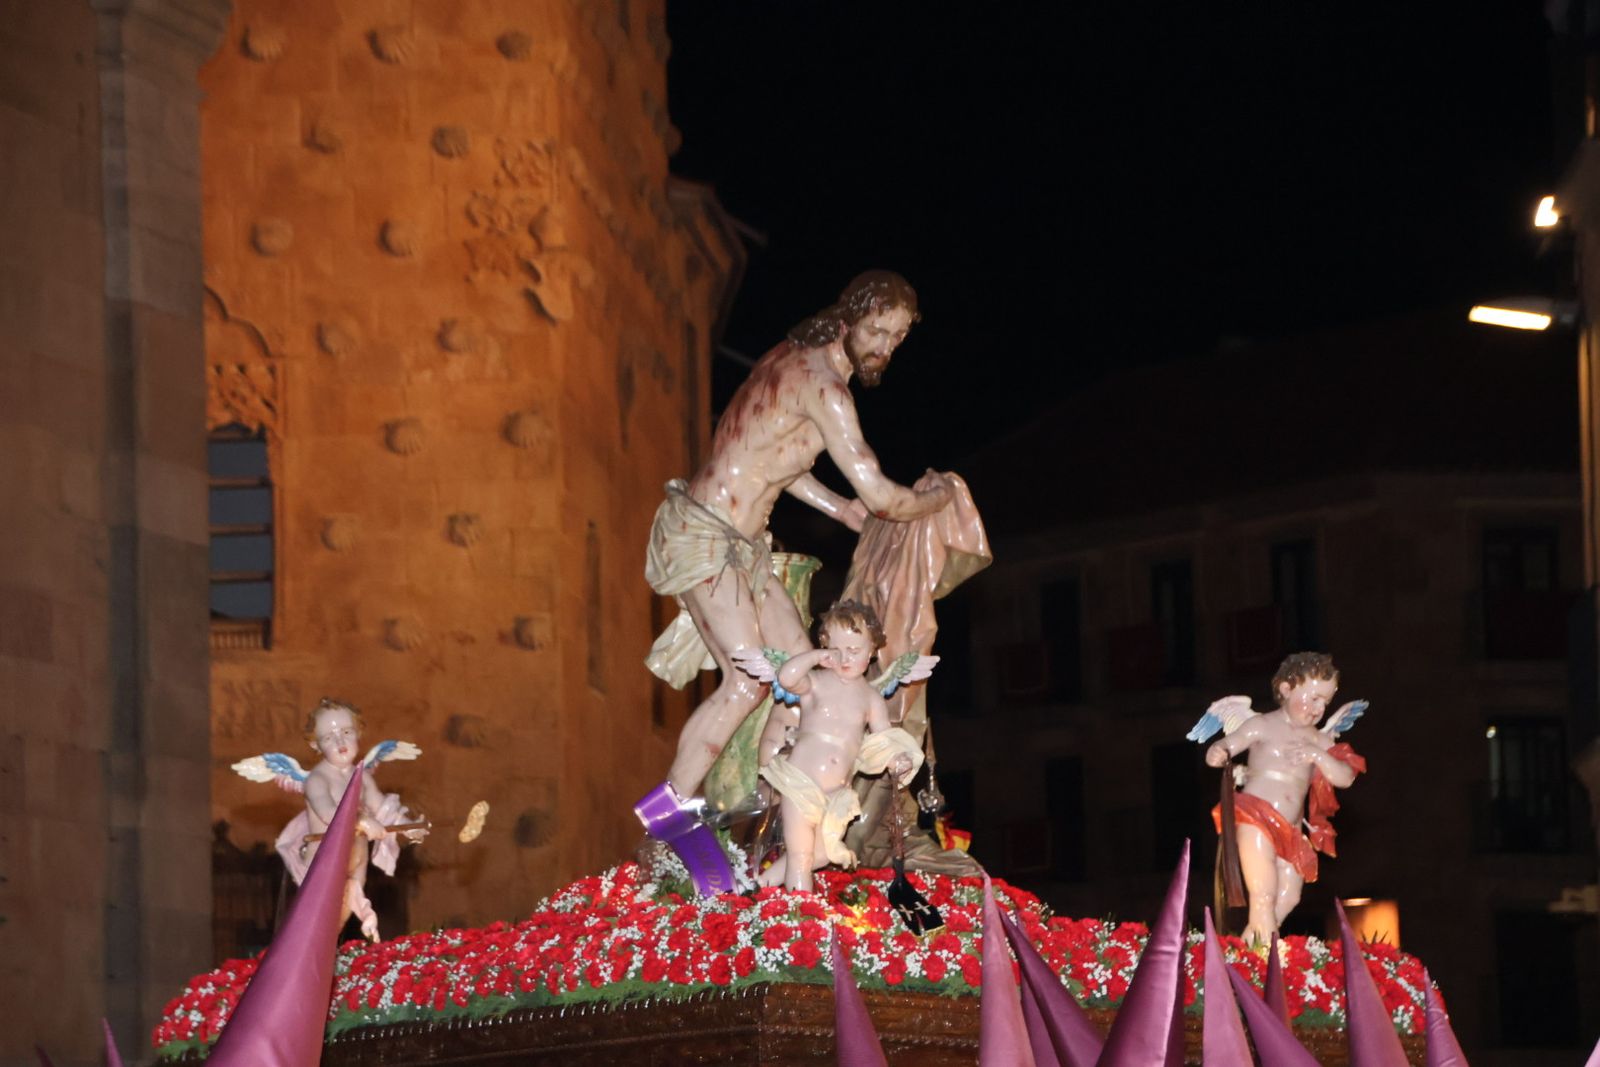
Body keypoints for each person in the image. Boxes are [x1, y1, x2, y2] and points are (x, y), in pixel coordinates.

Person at [638, 271, 952, 835]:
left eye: (898, 338)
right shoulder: (824, 386)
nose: (885, 347)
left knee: (803, 671)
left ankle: (773, 800)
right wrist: (937, 498)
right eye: (878, 330)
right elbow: (881, 495)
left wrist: (839, 510)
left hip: (745, 548)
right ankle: (666, 817)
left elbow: (772, 462)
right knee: (746, 681)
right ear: (848, 318)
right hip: (707, 536)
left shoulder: (795, 358)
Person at [746, 600, 922, 891]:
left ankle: (753, 888)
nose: (844, 658)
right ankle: (801, 919)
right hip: (800, 780)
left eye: (854, 651)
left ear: (872, 651)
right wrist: (814, 657)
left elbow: (882, 740)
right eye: (835, 650)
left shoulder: (870, 698)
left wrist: (897, 760)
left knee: (819, 854)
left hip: (836, 793)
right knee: (801, 853)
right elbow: (786, 677)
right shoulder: (815, 683)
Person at [1200, 653, 1366, 945]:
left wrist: (1317, 756)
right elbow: (1229, 744)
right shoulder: (1263, 725)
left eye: (1325, 703)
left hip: (1291, 830)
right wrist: (1219, 752)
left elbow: (1346, 776)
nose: (1319, 709)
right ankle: (1262, 960)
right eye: (1313, 698)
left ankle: (1252, 951)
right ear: (1287, 689)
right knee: (1263, 894)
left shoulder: (1318, 739)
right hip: (1256, 817)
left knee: (1289, 895)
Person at [232, 698, 426, 941]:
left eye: (346, 732)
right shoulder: (317, 779)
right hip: (326, 862)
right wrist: (362, 820)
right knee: (320, 930)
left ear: (359, 733)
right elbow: (329, 812)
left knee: (336, 928)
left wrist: (408, 827)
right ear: (315, 744)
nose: (340, 742)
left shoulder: (362, 777)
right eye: (328, 737)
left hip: (356, 861)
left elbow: (383, 808)